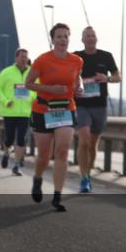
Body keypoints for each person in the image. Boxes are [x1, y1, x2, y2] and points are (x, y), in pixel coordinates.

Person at [24, 23, 83, 212]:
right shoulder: (42, 60)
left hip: (66, 108)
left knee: (63, 151)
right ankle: (38, 177)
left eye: (66, 36)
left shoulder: (76, 61)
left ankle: (57, 196)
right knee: (44, 155)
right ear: (53, 39)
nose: (63, 39)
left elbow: (76, 79)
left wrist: (78, 88)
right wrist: (50, 89)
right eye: (59, 36)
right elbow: (29, 84)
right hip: (43, 110)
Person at [74, 26, 121, 193]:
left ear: (96, 38)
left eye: (93, 35)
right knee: (84, 140)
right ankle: (83, 178)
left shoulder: (106, 56)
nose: (90, 38)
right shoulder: (76, 56)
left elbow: (118, 77)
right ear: (82, 40)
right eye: (87, 35)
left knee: (93, 144)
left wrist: (106, 78)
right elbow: (68, 76)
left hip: (99, 106)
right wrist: (75, 86)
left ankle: (88, 172)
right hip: (81, 105)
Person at [0, 48, 35, 175]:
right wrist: (5, 101)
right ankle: (6, 153)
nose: (24, 59)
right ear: (16, 58)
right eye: (21, 56)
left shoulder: (32, 73)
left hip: (25, 112)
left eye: (26, 57)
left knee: (21, 138)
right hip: (10, 111)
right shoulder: (6, 72)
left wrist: (32, 98)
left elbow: (37, 88)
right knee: (9, 139)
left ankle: (16, 165)